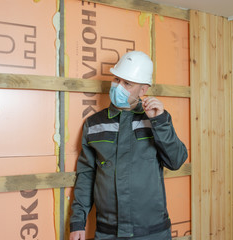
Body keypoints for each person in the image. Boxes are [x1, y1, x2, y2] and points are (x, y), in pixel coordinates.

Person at [69, 51, 188, 240]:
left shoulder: (157, 119)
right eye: (117, 79)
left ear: (143, 90)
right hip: (108, 232)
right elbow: (86, 175)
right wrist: (78, 222)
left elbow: (176, 161)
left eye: (127, 83)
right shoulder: (94, 124)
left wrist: (160, 122)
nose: (118, 87)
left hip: (152, 232)